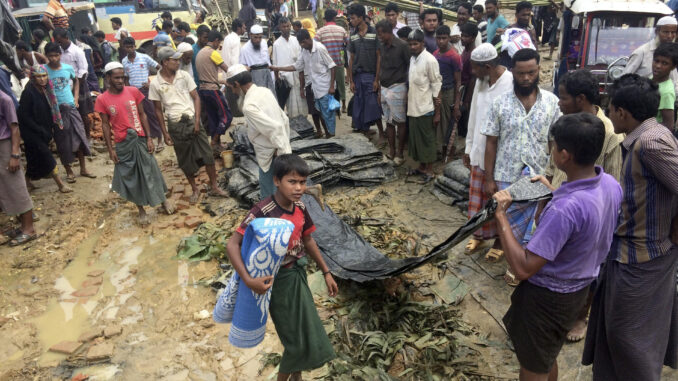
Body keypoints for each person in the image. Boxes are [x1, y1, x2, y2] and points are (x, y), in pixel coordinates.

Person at [495, 112, 622, 381]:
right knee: (546, 354)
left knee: (533, 366)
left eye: (553, 146)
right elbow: (579, 221)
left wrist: (501, 217)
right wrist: (550, 192)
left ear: (564, 155)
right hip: (579, 288)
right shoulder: (610, 185)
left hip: (548, 297)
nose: (551, 150)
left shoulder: (565, 209)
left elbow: (523, 268)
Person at [582, 74, 678, 381]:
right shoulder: (642, 137)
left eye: (611, 109)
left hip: (643, 259)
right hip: (625, 253)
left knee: (630, 339)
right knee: (613, 332)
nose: (609, 114)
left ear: (623, 112)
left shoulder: (650, 143)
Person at [225, 154, 337, 381]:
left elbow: (308, 241)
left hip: (297, 275)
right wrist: (248, 280)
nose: (298, 188)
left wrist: (326, 272)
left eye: (303, 182)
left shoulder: (300, 208)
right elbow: (232, 244)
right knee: (294, 342)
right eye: (292, 181)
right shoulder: (263, 211)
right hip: (275, 284)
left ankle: (297, 378)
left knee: (304, 333)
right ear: (276, 180)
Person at [480, 48, 560, 266]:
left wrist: (555, 175)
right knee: (503, 216)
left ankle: (523, 263)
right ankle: (503, 247)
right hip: (506, 173)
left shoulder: (552, 103)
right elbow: (491, 143)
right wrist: (489, 178)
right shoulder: (500, 103)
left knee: (536, 221)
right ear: (512, 72)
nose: (526, 78)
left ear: (539, 71)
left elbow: (554, 142)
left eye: (531, 73)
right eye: (521, 73)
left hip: (539, 174)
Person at [95, 62, 174, 225]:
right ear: (108, 78)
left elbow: (143, 114)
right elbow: (104, 125)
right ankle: (141, 210)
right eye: (116, 78)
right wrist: (111, 149)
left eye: (122, 77)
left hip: (140, 139)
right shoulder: (102, 99)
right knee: (132, 177)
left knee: (152, 170)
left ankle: (163, 201)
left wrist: (149, 138)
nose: (120, 80)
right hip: (123, 143)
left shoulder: (133, 91)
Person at [149, 47, 228, 203]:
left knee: (207, 155)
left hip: (192, 119)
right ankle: (195, 189)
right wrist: (164, 134)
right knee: (185, 159)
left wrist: (197, 121)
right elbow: (158, 111)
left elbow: (196, 98)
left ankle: (214, 186)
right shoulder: (156, 84)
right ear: (165, 62)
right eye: (175, 60)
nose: (178, 62)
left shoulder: (184, 76)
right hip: (175, 124)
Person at [463, 43, 513, 255]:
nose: (473, 72)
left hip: (500, 154)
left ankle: (500, 244)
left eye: (476, 68)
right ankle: (478, 236)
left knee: (499, 201)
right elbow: (474, 114)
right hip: (479, 150)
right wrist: (468, 147)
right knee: (478, 200)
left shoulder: (510, 83)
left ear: (489, 66)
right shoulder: (481, 82)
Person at [226, 65, 292, 198]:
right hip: (275, 149)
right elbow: (283, 119)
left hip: (271, 153)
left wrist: (283, 154)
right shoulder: (264, 91)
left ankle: (272, 215)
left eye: (232, 88)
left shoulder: (249, 106)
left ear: (237, 84)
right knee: (280, 188)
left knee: (269, 194)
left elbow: (274, 128)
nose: (233, 92)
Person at [44, 42, 94, 185]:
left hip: (71, 107)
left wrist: (76, 97)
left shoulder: (68, 68)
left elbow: (76, 81)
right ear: (47, 56)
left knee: (79, 136)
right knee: (62, 142)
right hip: (56, 111)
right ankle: (69, 171)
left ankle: (83, 168)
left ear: (60, 55)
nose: (54, 58)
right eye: (51, 56)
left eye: (56, 55)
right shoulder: (44, 70)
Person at [18, 65, 72, 194]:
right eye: (38, 76)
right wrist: (39, 130)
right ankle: (60, 184)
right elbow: (23, 116)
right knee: (47, 156)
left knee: (33, 157)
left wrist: (49, 129)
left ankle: (26, 181)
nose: (42, 79)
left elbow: (50, 110)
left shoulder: (47, 90)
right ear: (33, 78)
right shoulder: (29, 92)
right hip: (31, 131)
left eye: (44, 76)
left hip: (44, 129)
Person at [274, 29, 338, 138]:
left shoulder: (320, 48)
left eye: (303, 42)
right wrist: (277, 68)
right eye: (300, 43)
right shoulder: (303, 51)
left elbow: (332, 66)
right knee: (315, 112)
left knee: (327, 114)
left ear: (309, 38)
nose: (302, 45)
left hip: (324, 87)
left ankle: (331, 135)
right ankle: (321, 132)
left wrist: (331, 86)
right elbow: (296, 66)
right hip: (312, 86)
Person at [0, 88, 36, 247]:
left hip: (5, 145)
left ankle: (29, 229)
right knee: (3, 188)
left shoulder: (4, 100)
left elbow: (14, 128)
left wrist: (15, 154)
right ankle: (21, 226)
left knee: (15, 185)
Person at [406, 29, 442, 182]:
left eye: (415, 44)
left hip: (426, 108)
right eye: (410, 44)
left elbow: (437, 85)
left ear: (422, 43)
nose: (413, 47)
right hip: (414, 106)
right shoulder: (413, 59)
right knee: (417, 140)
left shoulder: (430, 60)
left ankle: (430, 170)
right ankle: (421, 166)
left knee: (427, 140)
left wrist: (437, 112)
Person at [121, 37, 167, 152]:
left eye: (132, 46)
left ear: (135, 46)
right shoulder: (124, 61)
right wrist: (127, 90)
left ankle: (160, 139)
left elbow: (160, 68)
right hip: (132, 92)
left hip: (145, 90)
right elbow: (126, 78)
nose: (130, 49)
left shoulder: (144, 57)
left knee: (152, 114)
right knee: (138, 116)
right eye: (127, 47)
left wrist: (153, 82)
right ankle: (147, 139)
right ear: (124, 48)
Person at [347, 4, 384, 138]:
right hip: (358, 75)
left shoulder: (374, 34)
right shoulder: (353, 36)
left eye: (353, 18)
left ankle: (381, 133)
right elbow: (351, 59)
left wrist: (376, 79)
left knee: (373, 104)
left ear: (361, 18)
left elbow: (379, 56)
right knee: (360, 102)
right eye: (350, 18)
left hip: (370, 74)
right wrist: (351, 80)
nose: (351, 21)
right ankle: (364, 130)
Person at [376, 19, 409, 165]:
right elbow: (381, 66)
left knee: (400, 122)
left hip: (398, 86)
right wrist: (379, 89)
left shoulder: (402, 46)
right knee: (388, 121)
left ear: (388, 32)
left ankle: (400, 154)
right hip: (384, 87)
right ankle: (392, 151)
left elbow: (410, 67)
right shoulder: (382, 47)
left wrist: (408, 89)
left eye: (381, 33)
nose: (379, 36)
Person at [53, 28, 94, 140]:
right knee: (67, 113)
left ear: (66, 38)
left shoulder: (77, 51)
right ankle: (73, 137)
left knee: (83, 112)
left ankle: (87, 136)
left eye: (60, 41)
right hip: (63, 86)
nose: (58, 43)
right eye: (57, 42)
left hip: (79, 85)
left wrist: (75, 87)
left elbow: (83, 71)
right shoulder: (58, 52)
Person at [196, 30, 232, 149]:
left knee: (213, 118)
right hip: (212, 90)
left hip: (203, 89)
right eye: (219, 42)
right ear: (216, 40)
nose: (219, 45)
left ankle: (216, 144)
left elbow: (208, 75)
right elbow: (227, 69)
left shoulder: (200, 53)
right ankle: (214, 141)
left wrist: (222, 81)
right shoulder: (212, 53)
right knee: (227, 116)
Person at [433, 25, 462, 159]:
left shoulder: (454, 56)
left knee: (450, 122)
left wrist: (457, 103)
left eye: (444, 38)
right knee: (440, 124)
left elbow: (458, 82)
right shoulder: (435, 54)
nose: (441, 41)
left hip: (449, 92)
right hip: (437, 92)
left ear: (449, 38)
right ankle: (442, 149)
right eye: (438, 38)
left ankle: (450, 151)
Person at [624, 15, 678, 88]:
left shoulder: (673, 53)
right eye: (666, 32)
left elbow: (675, 81)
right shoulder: (642, 52)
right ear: (657, 32)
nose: (670, 36)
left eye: (673, 32)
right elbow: (624, 79)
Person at [272, 18, 307, 118]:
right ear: (280, 28)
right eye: (284, 27)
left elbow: (301, 58)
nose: (286, 28)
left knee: (302, 103)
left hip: (298, 76)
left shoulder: (296, 40)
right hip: (286, 79)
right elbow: (275, 63)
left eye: (288, 26)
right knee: (291, 105)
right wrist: (277, 78)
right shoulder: (276, 44)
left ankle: (304, 124)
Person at [315, 9, 349, 113]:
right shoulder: (342, 30)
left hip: (326, 64)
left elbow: (315, 45)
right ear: (334, 18)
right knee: (341, 84)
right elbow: (348, 44)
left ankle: (331, 105)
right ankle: (343, 105)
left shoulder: (320, 31)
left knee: (329, 85)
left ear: (325, 18)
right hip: (339, 62)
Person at [240, 25, 277, 97]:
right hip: (254, 80)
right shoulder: (244, 49)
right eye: (255, 37)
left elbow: (267, 60)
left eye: (260, 37)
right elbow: (242, 66)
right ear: (250, 35)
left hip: (267, 77)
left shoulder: (263, 43)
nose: (258, 40)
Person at [457, 23, 479, 140]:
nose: (463, 39)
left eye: (466, 36)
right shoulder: (465, 51)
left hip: (467, 89)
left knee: (466, 114)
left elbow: (473, 78)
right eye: (462, 36)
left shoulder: (472, 54)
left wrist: (466, 100)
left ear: (473, 38)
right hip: (463, 87)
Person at [222, 19, 246, 117]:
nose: (245, 29)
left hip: (227, 71)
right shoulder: (235, 40)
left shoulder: (228, 37)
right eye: (244, 27)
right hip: (233, 72)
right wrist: (238, 74)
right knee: (234, 97)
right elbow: (234, 60)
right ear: (238, 28)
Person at [652, 42, 678, 128]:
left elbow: (668, 125)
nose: (658, 66)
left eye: (664, 63)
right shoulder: (651, 78)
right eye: (656, 61)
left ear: (673, 67)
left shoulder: (666, 92)